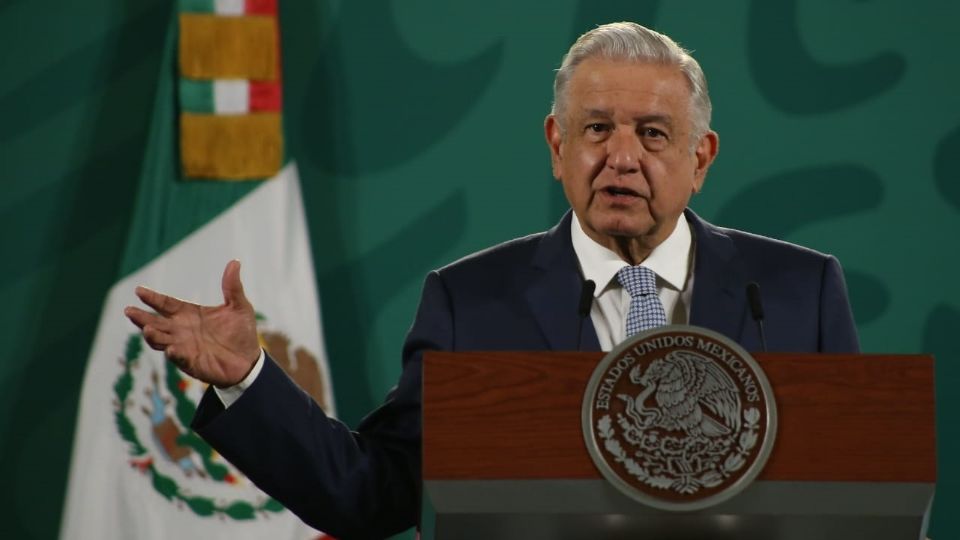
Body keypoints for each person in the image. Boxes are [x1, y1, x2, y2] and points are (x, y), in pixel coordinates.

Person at [125, 22, 858, 539]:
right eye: (597, 129)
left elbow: (857, 492)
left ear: (702, 158)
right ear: (556, 146)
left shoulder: (796, 292)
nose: (622, 157)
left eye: (654, 133)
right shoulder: (470, 301)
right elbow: (372, 493)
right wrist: (247, 377)